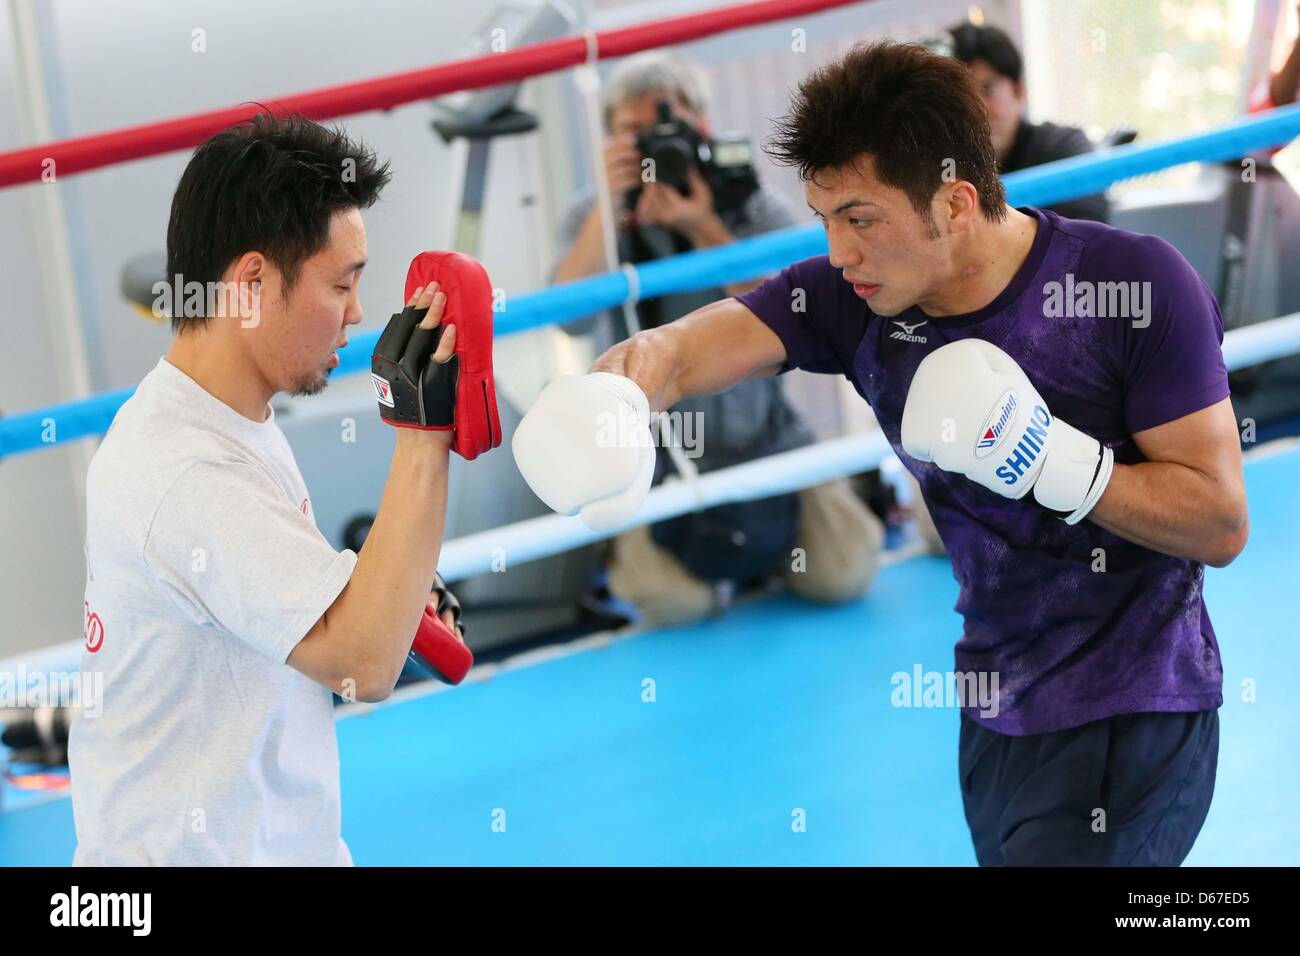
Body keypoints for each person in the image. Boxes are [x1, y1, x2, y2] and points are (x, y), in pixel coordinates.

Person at [514, 42, 1247, 866]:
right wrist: (617, 396)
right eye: (825, 219)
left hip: (1138, 704)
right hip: (996, 709)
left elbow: (1219, 521)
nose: (837, 252)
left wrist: (1052, 463)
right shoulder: (851, 298)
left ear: (956, 203)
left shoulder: (1134, 284)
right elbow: (683, 350)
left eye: (860, 219)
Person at [68, 114, 484, 865]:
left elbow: (289, 600)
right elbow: (362, 663)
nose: (358, 313)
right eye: (342, 283)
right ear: (252, 284)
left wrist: (390, 584)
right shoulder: (187, 472)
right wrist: (424, 437)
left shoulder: (227, 416)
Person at [552, 52, 882, 626]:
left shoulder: (744, 194)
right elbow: (569, 317)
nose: (658, 146)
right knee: (680, 606)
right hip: (658, 456)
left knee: (844, 571)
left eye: (671, 126)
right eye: (636, 134)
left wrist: (702, 225)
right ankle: (728, 556)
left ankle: (764, 552)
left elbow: (810, 306)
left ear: (702, 127)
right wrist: (609, 212)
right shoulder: (594, 213)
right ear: (610, 142)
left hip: (766, 434)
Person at [945, 21, 1111, 224]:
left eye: (988, 89)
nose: (974, 110)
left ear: (1019, 90)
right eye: (959, 97)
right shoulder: (939, 167)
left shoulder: (1062, 149)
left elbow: (1086, 238)